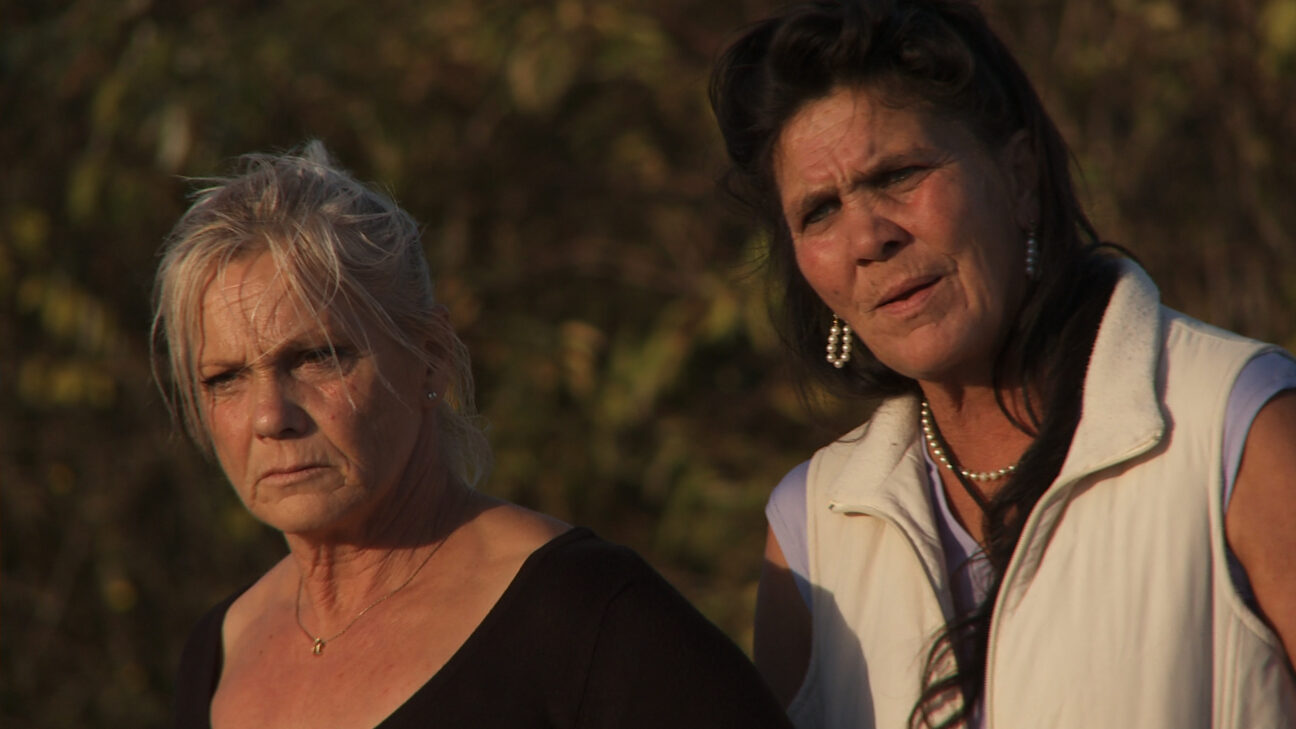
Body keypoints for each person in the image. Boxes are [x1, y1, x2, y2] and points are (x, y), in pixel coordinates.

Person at [709, 1, 1296, 727]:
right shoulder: (814, 529)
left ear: (1019, 177)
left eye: (898, 174)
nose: (868, 237)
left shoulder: (1235, 429)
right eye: (819, 211)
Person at [152, 141, 793, 729]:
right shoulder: (218, 653)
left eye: (317, 357)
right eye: (224, 378)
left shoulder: (589, 618)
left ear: (430, 356)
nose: (270, 417)